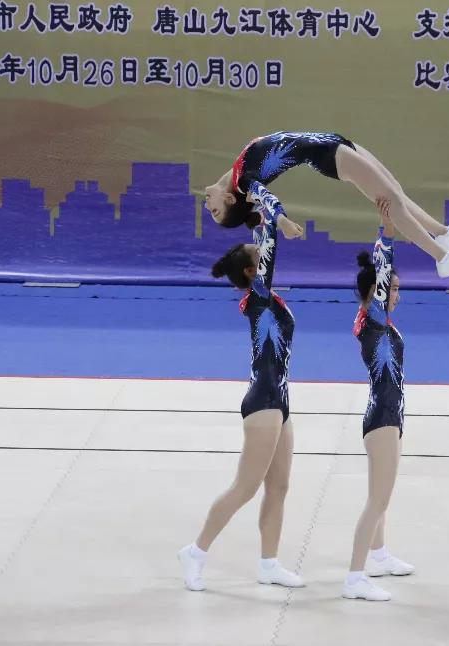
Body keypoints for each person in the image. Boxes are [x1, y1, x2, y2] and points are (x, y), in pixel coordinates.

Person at [177, 205, 304, 591]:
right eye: (257, 254)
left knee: (279, 487)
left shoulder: (266, 296)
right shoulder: (259, 297)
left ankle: (269, 564)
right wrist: (273, 218)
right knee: (245, 487)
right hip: (263, 400)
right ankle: (195, 552)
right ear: (252, 272)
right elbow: (269, 245)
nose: (261, 251)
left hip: (279, 399)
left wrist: (261, 215)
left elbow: (263, 243)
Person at [204, 131, 449, 278]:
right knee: (392, 203)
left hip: (332, 141)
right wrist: (283, 222)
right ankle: (443, 258)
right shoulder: (245, 182)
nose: (207, 206)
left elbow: (241, 199)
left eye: (212, 210)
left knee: (396, 191)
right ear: (229, 199)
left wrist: (243, 209)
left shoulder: (236, 175)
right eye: (214, 211)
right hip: (328, 156)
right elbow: (268, 199)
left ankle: (444, 234)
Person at [343, 199, 413, 602]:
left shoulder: (379, 322)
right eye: (393, 288)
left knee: (382, 496)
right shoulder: (372, 320)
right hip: (382, 419)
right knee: (377, 500)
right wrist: (386, 231)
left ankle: (379, 555)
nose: (398, 295)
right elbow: (382, 269)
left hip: (389, 415)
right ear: (375, 292)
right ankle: (354, 578)